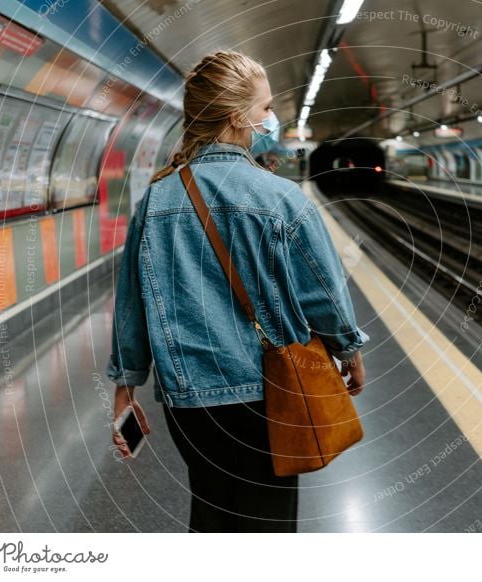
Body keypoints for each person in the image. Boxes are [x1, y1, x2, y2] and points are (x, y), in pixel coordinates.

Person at [105, 50, 370, 533]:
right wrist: (348, 349)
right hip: (267, 393)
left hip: (188, 405)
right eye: (266, 108)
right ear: (237, 118)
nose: (272, 117)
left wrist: (126, 387)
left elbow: (132, 304)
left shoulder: (156, 200)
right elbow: (323, 294)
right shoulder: (279, 197)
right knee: (267, 522)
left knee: (211, 513)